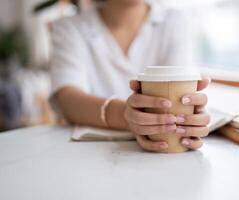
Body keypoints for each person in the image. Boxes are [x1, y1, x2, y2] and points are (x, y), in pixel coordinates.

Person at [50, 0, 210, 152]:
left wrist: (191, 113)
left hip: (164, 156)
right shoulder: (69, 28)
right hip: (90, 157)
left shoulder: (175, 22)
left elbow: (180, 92)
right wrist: (125, 115)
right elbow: (68, 100)